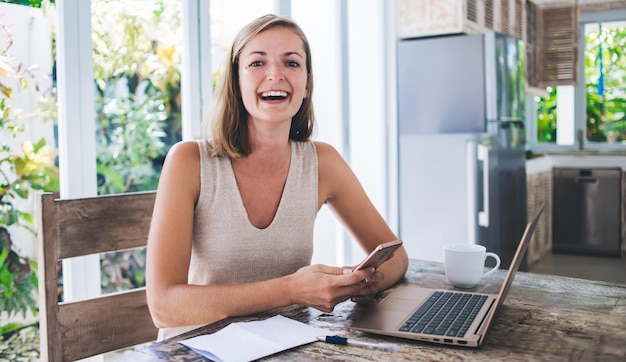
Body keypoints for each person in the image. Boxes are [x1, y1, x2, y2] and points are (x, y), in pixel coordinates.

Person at [146, 14, 409, 340]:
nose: (275, 75)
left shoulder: (322, 162)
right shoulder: (188, 161)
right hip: (200, 350)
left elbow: (395, 256)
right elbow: (163, 307)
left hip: (288, 347)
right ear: (236, 80)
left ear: (307, 83)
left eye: (291, 63)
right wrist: (291, 290)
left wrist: (369, 281)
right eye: (257, 63)